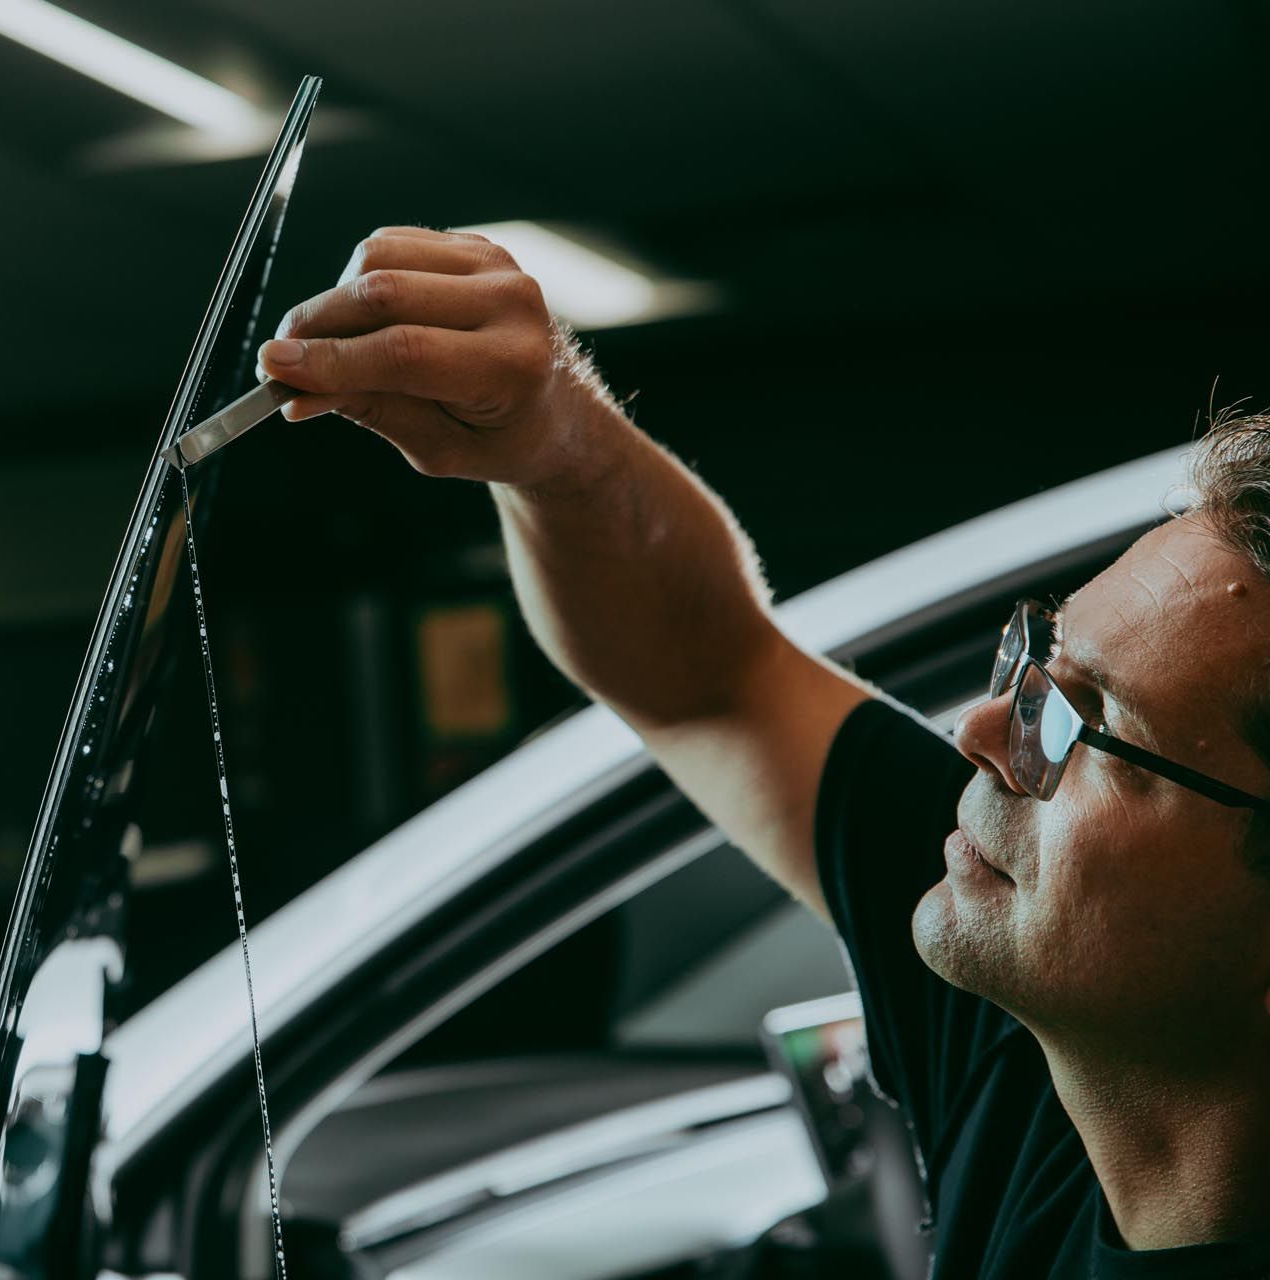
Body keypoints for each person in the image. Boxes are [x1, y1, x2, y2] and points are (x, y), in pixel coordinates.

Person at [259, 226, 1270, 1276]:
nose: (980, 733)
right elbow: (708, 678)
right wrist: (549, 438)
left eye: (1090, 725)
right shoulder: (1041, 1058)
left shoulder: (1072, 987)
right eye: (1038, 663)